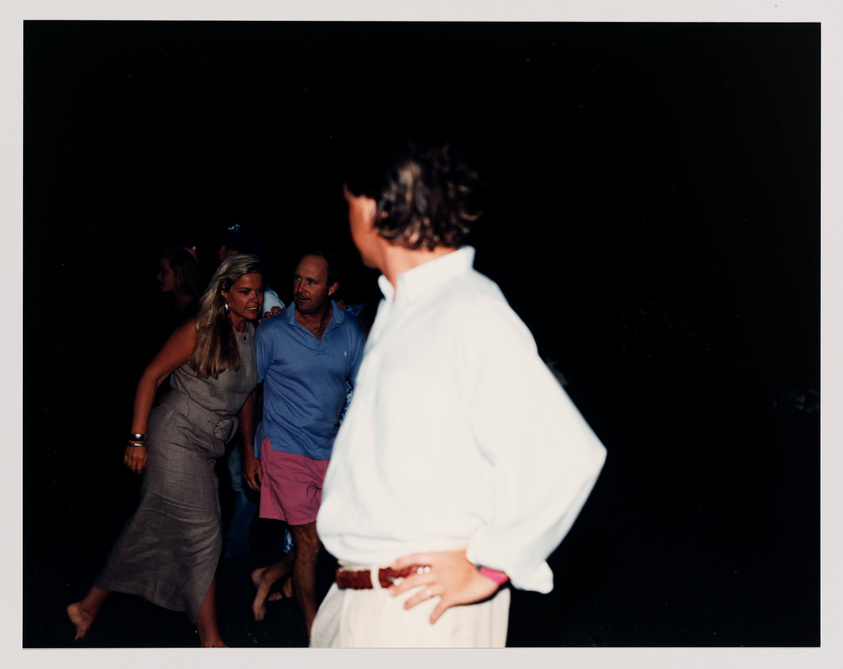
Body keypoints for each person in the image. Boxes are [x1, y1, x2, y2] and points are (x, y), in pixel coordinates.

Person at [311, 137, 608, 648]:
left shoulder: (464, 308)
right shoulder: (404, 308)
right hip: (363, 599)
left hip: (416, 611)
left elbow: (567, 452)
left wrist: (490, 568)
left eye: (347, 204)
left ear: (374, 206)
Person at [67, 253, 266, 647]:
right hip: (173, 438)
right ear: (224, 292)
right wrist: (136, 439)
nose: (255, 299)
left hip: (206, 449)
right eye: (245, 291)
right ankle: (211, 640)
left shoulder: (252, 335)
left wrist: (248, 450)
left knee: (153, 531)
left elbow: (246, 398)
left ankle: (88, 606)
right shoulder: (201, 328)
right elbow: (151, 375)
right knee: (207, 532)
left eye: (259, 291)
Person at [241, 248, 366, 635]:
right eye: (297, 279)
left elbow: (363, 391)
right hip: (283, 448)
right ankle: (316, 634)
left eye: (311, 282)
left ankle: (269, 575)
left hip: (329, 452)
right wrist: (248, 451)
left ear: (332, 287)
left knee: (326, 534)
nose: (299, 288)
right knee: (309, 542)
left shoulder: (350, 331)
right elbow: (248, 391)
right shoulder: (273, 332)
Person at [157, 246, 202, 336]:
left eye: (164, 272)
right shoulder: (169, 305)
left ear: (180, 273)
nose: (158, 277)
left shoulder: (197, 311)